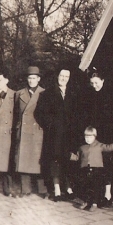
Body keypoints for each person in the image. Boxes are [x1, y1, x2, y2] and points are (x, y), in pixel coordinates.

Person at [81, 69, 113, 208]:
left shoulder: (111, 96)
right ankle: (96, 196)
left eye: (96, 83)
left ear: (103, 81)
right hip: (94, 136)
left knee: (107, 166)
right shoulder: (89, 96)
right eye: (92, 83)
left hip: (107, 135)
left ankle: (107, 195)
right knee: (95, 166)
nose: (94, 85)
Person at [35, 68, 77, 201]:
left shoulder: (73, 93)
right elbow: (39, 113)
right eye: (61, 75)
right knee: (55, 160)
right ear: (57, 76)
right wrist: (51, 125)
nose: (63, 78)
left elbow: (79, 113)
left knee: (68, 160)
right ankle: (57, 189)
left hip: (70, 134)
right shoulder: (48, 94)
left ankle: (68, 187)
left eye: (66, 76)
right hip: (54, 134)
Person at [13, 66, 48, 198]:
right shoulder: (19, 93)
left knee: (38, 161)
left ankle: (42, 190)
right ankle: (25, 189)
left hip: (38, 131)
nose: (31, 80)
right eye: (29, 78)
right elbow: (16, 113)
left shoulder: (44, 93)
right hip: (24, 131)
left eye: (34, 78)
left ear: (38, 79)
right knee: (24, 160)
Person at [70, 126, 113, 211]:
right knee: (85, 186)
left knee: (95, 186)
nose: (88, 139)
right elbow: (77, 157)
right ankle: (86, 202)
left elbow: (108, 147)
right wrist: (70, 155)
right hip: (84, 169)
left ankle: (94, 203)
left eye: (90, 137)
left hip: (97, 169)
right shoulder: (82, 147)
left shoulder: (99, 145)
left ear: (95, 136)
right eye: (86, 137)